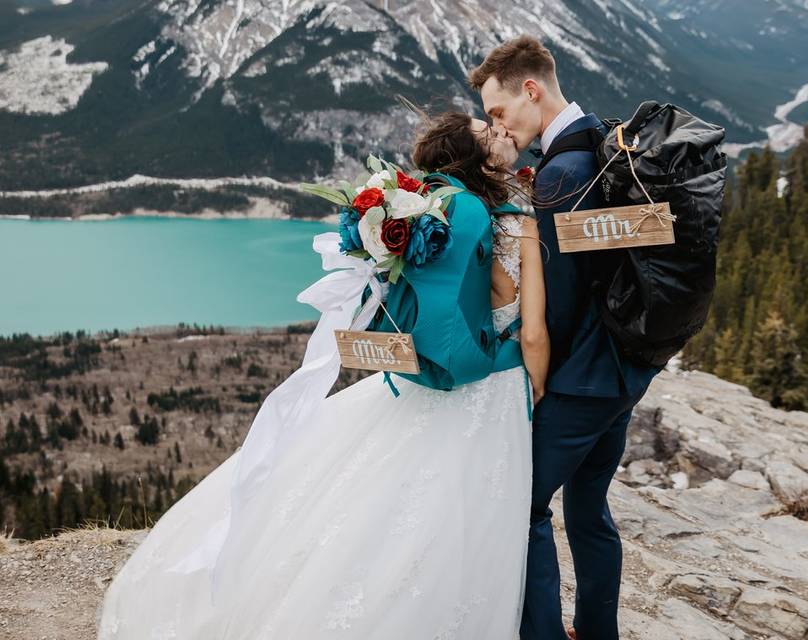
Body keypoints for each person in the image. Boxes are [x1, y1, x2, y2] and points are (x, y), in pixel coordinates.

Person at [96, 112, 548, 639]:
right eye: (488, 133)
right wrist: (536, 385)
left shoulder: (440, 217)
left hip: (421, 379)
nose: (503, 131)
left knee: (380, 500)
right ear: (478, 160)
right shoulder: (515, 224)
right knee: (462, 521)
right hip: (491, 387)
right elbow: (532, 332)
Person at [470, 35, 666, 640]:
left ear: (531, 89)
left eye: (498, 112)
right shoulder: (601, 146)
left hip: (583, 378)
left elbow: (558, 300)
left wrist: (530, 375)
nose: (496, 124)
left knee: (522, 506)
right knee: (587, 511)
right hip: (624, 370)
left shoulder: (563, 173)